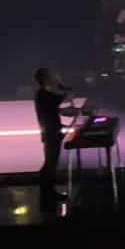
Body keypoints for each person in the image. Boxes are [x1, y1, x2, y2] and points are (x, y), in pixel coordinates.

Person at [33, 67, 71, 198]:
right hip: (51, 134)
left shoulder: (44, 95)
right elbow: (59, 100)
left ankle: (48, 192)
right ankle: (47, 194)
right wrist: (65, 90)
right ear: (46, 79)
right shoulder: (43, 95)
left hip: (53, 133)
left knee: (50, 164)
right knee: (50, 165)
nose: (56, 77)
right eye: (52, 76)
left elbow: (52, 112)